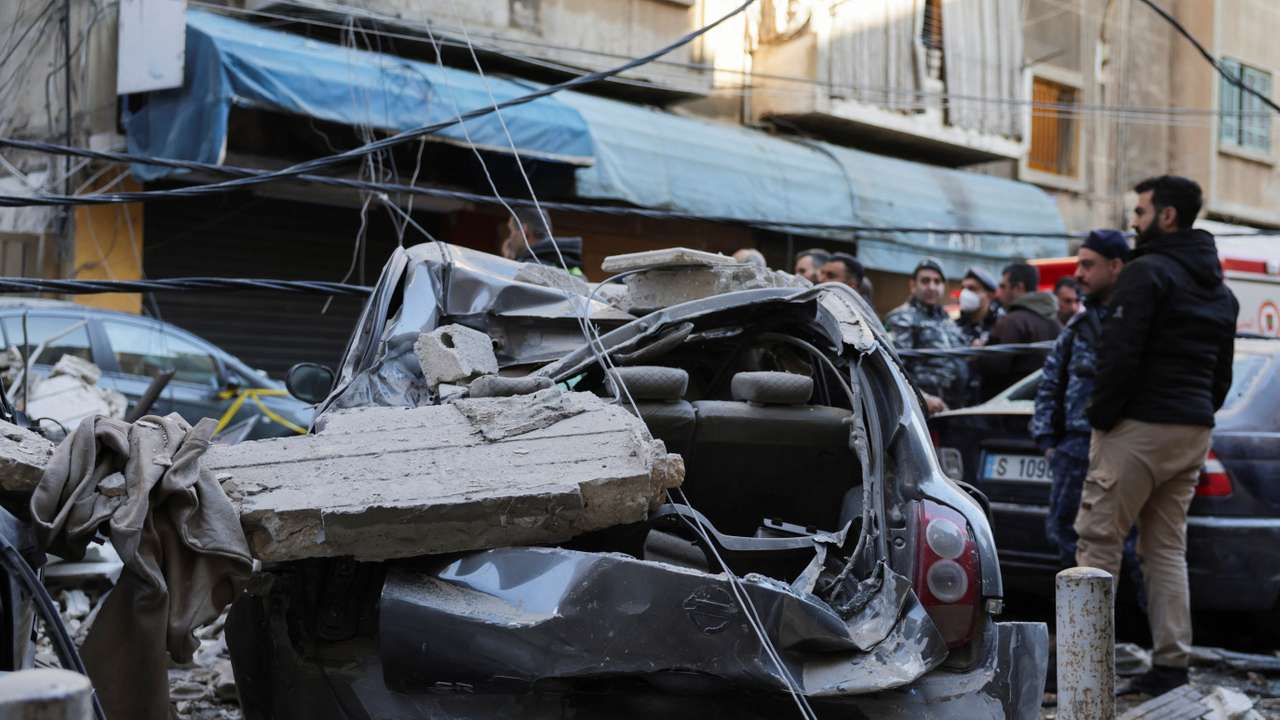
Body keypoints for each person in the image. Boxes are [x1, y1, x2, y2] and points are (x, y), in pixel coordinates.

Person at [1076, 176, 1237, 696]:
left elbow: (1118, 355)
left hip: (1138, 428)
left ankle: (1086, 668)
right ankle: (1171, 664)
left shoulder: (1146, 274)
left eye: (1141, 211)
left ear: (1167, 216)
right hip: (1191, 429)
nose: (1134, 221)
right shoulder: (1220, 289)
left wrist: (1103, 418)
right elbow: (1221, 375)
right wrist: (1197, 413)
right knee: (1165, 550)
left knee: (1098, 544)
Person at [1032, 231, 1136, 572]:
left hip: (1122, 446)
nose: (1079, 274)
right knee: (1064, 533)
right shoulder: (1079, 325)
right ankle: (1081, 621)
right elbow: (1051, 382)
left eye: (1088, 265)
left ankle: (1121, 623)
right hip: (1074, 449)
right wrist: (1048, 442)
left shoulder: (1135, 319)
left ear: (1116, 266)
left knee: (1125, 545)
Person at [884, 258, 969, 413]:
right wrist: (921, 398)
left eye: (937, 282)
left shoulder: (947, 319)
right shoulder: (901, 317)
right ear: (913, 285)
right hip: (923, 410)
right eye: (925, 281)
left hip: (953, 409)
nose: (932, 287)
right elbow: (893, 368)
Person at [974, 262, 1061, 400]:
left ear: (1019, 287)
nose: (998, 293)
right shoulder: (1056, 323)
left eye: (1003, 286)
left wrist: (978, 353)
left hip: (1008, 408)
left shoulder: (1012, 322)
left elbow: (995, 368)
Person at [499, 208, 584, 274]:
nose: (509, 238)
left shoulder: (528, 268)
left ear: (523, 231)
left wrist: (509, 265)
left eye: (511, 231)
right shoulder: (572, 265)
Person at [957, 266, 1000, 346]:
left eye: (972, 288)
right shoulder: (954, 326)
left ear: (990, 295)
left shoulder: (1000, 326)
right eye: (963, 288)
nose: (965, 293)